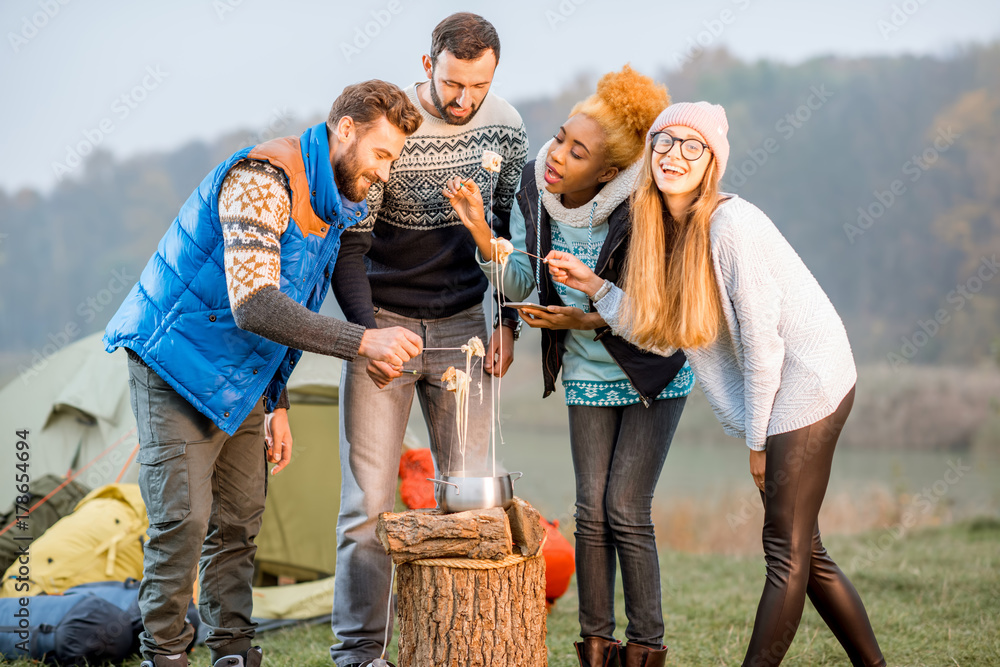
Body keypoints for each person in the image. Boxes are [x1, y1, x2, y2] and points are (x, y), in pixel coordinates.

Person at [547, 102, 887, 667]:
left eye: (691, 146)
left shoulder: (732, 227)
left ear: (712, 162)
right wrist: (596, 287)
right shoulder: (666, 228)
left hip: (809, 380)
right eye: (664, 142)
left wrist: (758, 442)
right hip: (780, 384)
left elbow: (763, 345)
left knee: (784, 551)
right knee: (805, 548)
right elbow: (663, 334)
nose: (673, 155)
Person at [103, 80, 424, 667]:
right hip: (174, 362)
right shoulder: (261, 179)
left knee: (239, 523)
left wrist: (277, 401)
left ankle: (232, 653)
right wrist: (363, 341)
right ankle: (165, 656)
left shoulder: (337, 202)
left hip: (246, 380)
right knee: (183, 523)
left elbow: (302, 294)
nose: (384, 172)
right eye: (381, 154)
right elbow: (257, 304)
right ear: (345, 130)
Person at [445, 66, 690, 667]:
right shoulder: (535, 188)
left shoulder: (642, 205)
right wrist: (483, 236)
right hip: (585, 372)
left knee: (626, 510)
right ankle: (596, 644)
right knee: (589, 511)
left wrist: (587, 314)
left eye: (577, 152)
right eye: (559, 138)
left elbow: (660, 314)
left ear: (606, 172)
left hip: (650, 370)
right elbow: (523, 281)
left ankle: (646, 646)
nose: (556, 155)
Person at [328, 13, 528, 667]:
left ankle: (464, 643)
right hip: (383, 320)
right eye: (452, 83)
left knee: (469, 493)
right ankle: (360, 653)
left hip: (463, 327)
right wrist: (368, 334)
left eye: (478, 85)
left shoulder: (506, 127)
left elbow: (503, 233)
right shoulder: (394, 131)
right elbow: (350, 248)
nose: (464, 99)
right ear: (427, 66)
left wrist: (507, 323)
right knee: (368, 505)